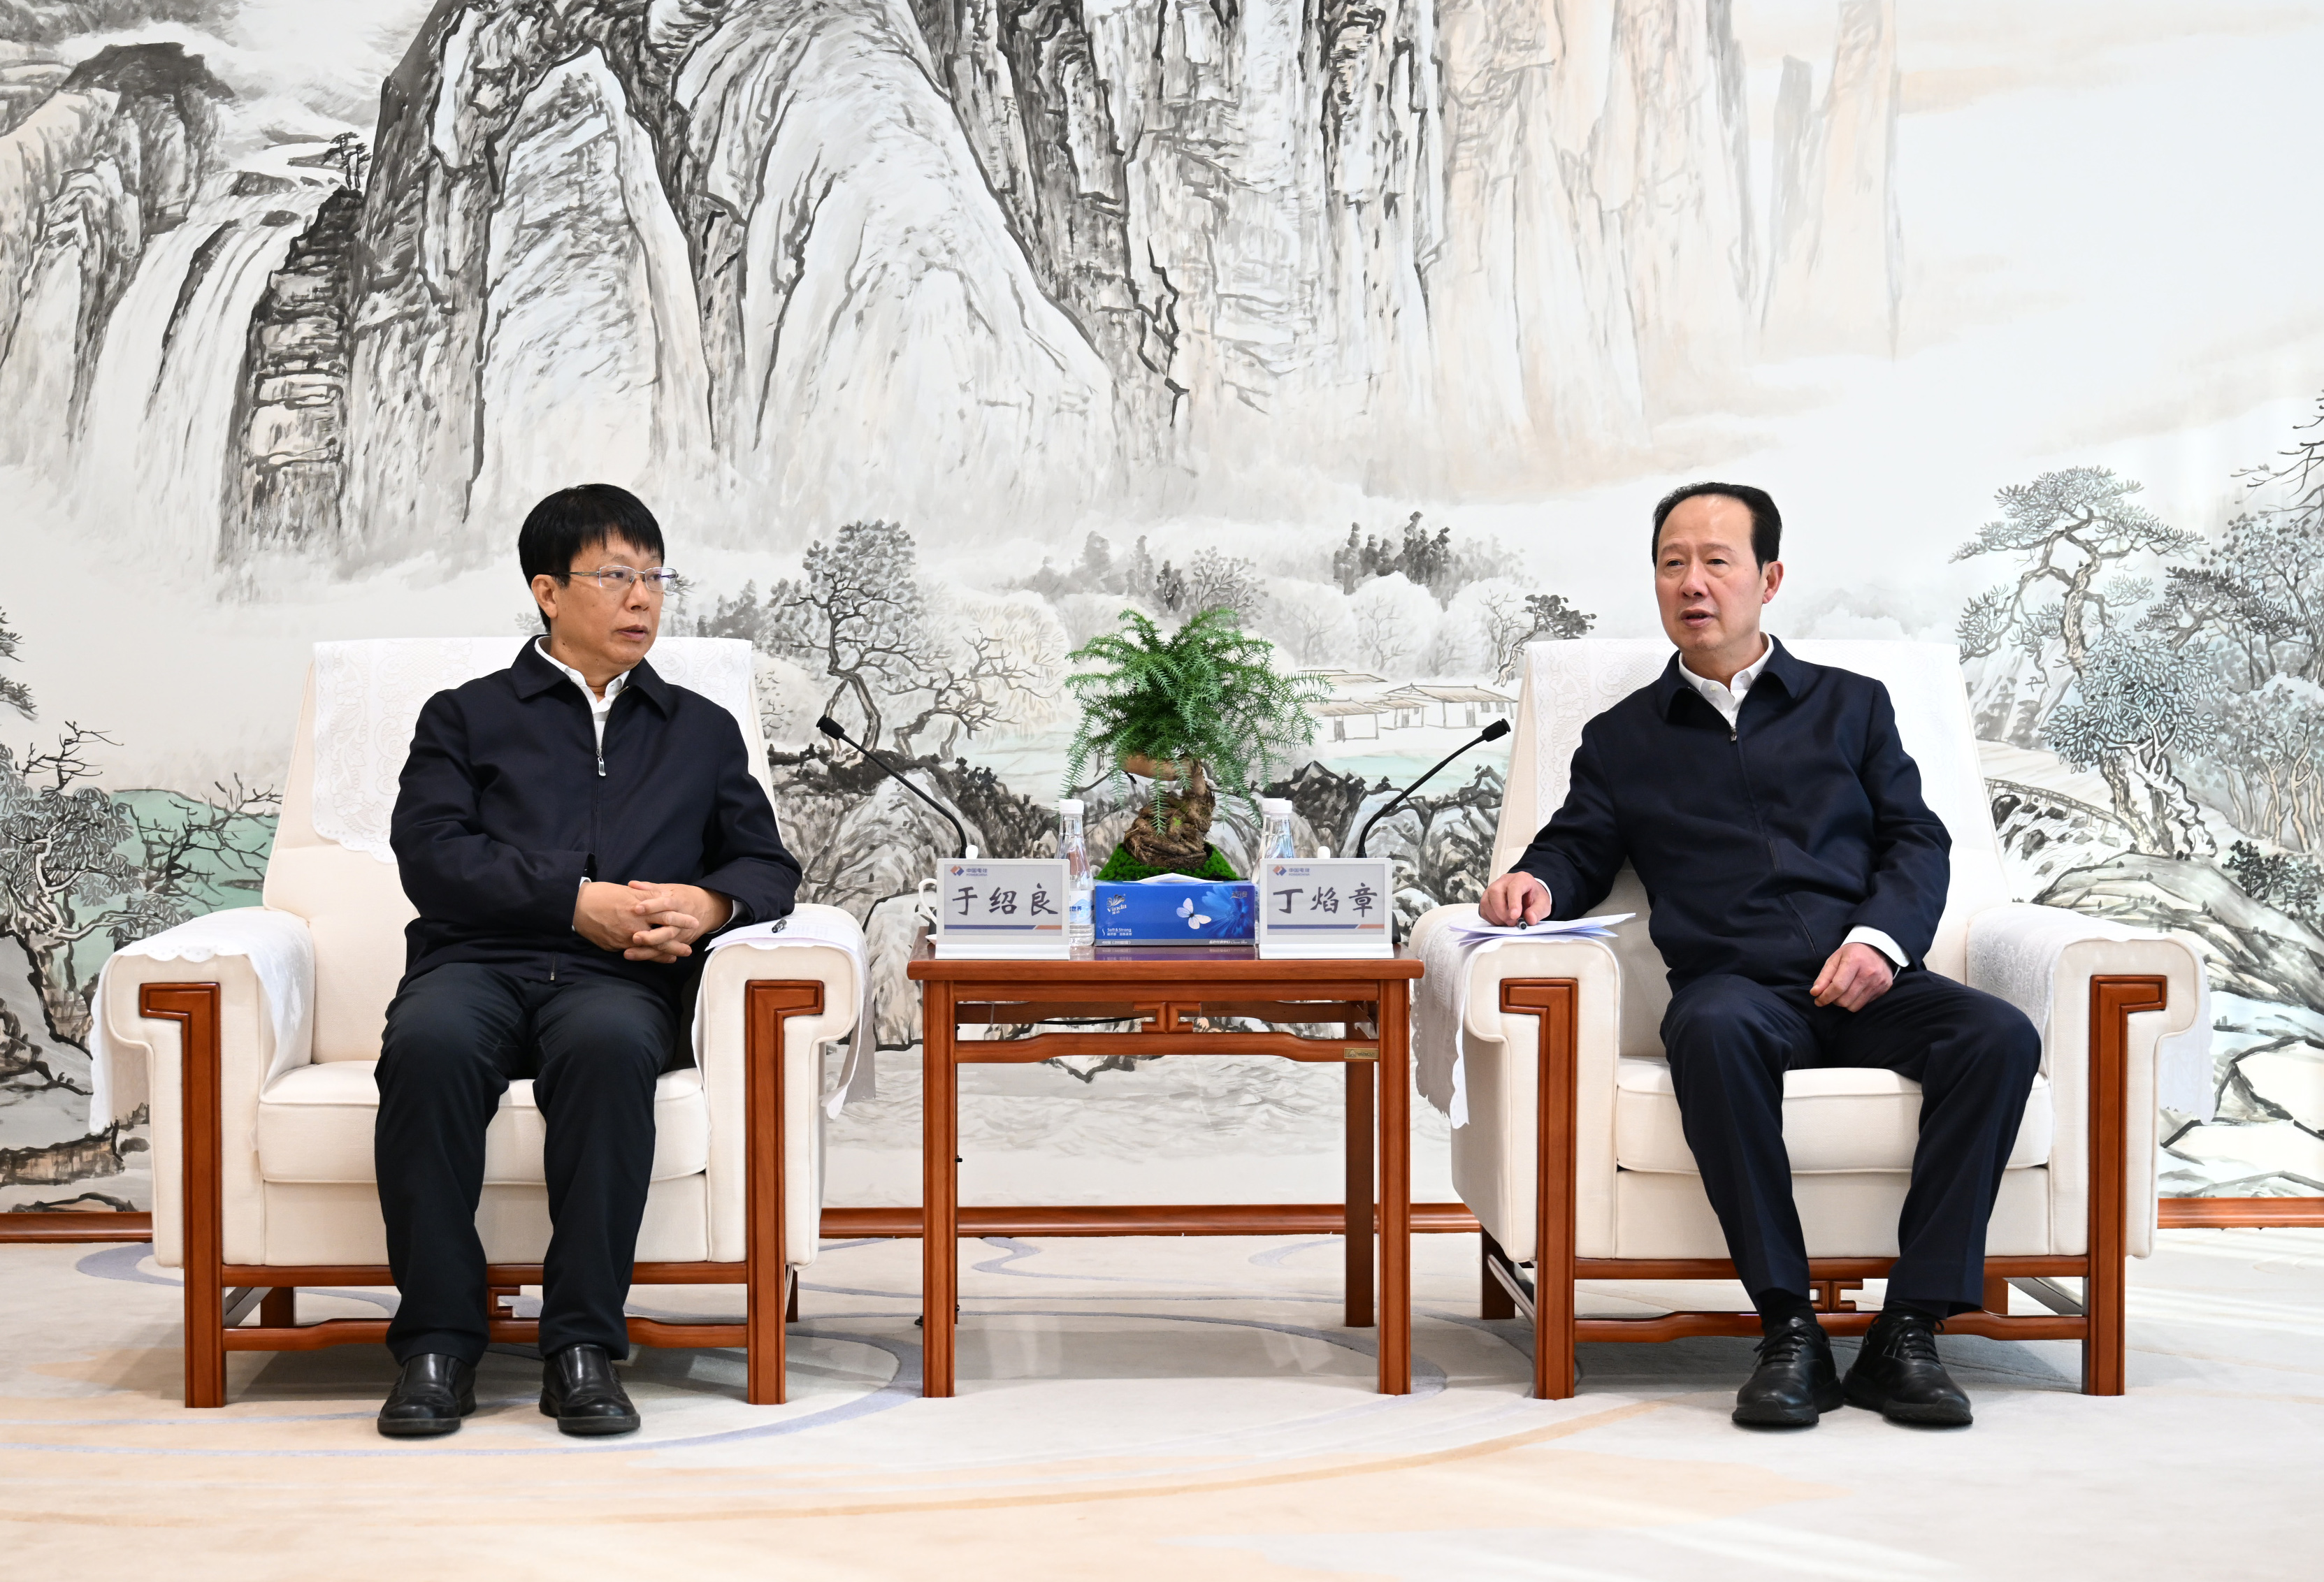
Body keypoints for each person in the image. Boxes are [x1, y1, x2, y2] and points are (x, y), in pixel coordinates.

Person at [1478, 483, 2039, 1430]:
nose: (1691, 583)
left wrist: (1877, 941)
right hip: (1739, 992)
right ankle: (1789, 1332)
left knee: (1997, 1035)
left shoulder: (1851, 708)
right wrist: (1532, 880)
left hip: (1869, 980)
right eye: (1672, 564)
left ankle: (1908, 1332)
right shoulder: (1622, 740)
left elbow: (1915, 840)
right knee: (1708, 1026)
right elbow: (1576, 849)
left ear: (1769, 579)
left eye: (1715, 561)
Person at [372, 484, 801, 1439]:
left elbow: (766, 865)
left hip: (621, 980)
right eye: (615, 575)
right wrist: (572, 900)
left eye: (654, 577)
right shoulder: (465, 717)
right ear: (547, 591)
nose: (642, 598)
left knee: (610, 1051)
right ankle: (436, 1346)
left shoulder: (699, 730)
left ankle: (582, 1349)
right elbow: (430, 854)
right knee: (429, 1048)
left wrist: (708, 904)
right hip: (475, 963)